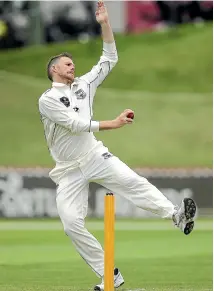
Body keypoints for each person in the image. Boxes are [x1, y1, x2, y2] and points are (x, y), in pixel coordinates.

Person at [38, 1, 197, 290]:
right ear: (54, 70)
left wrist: (104, 24)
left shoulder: (85, 85)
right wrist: (113, 123)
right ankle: (109, 274)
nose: (73, 65)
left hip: (93, 154)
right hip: (68, 170)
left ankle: (177, 215)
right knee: (71, 225)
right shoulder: (47, 99)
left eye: (73, 62)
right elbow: (74, 125)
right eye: (67, 63)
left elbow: (109, 57)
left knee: (133, 182)